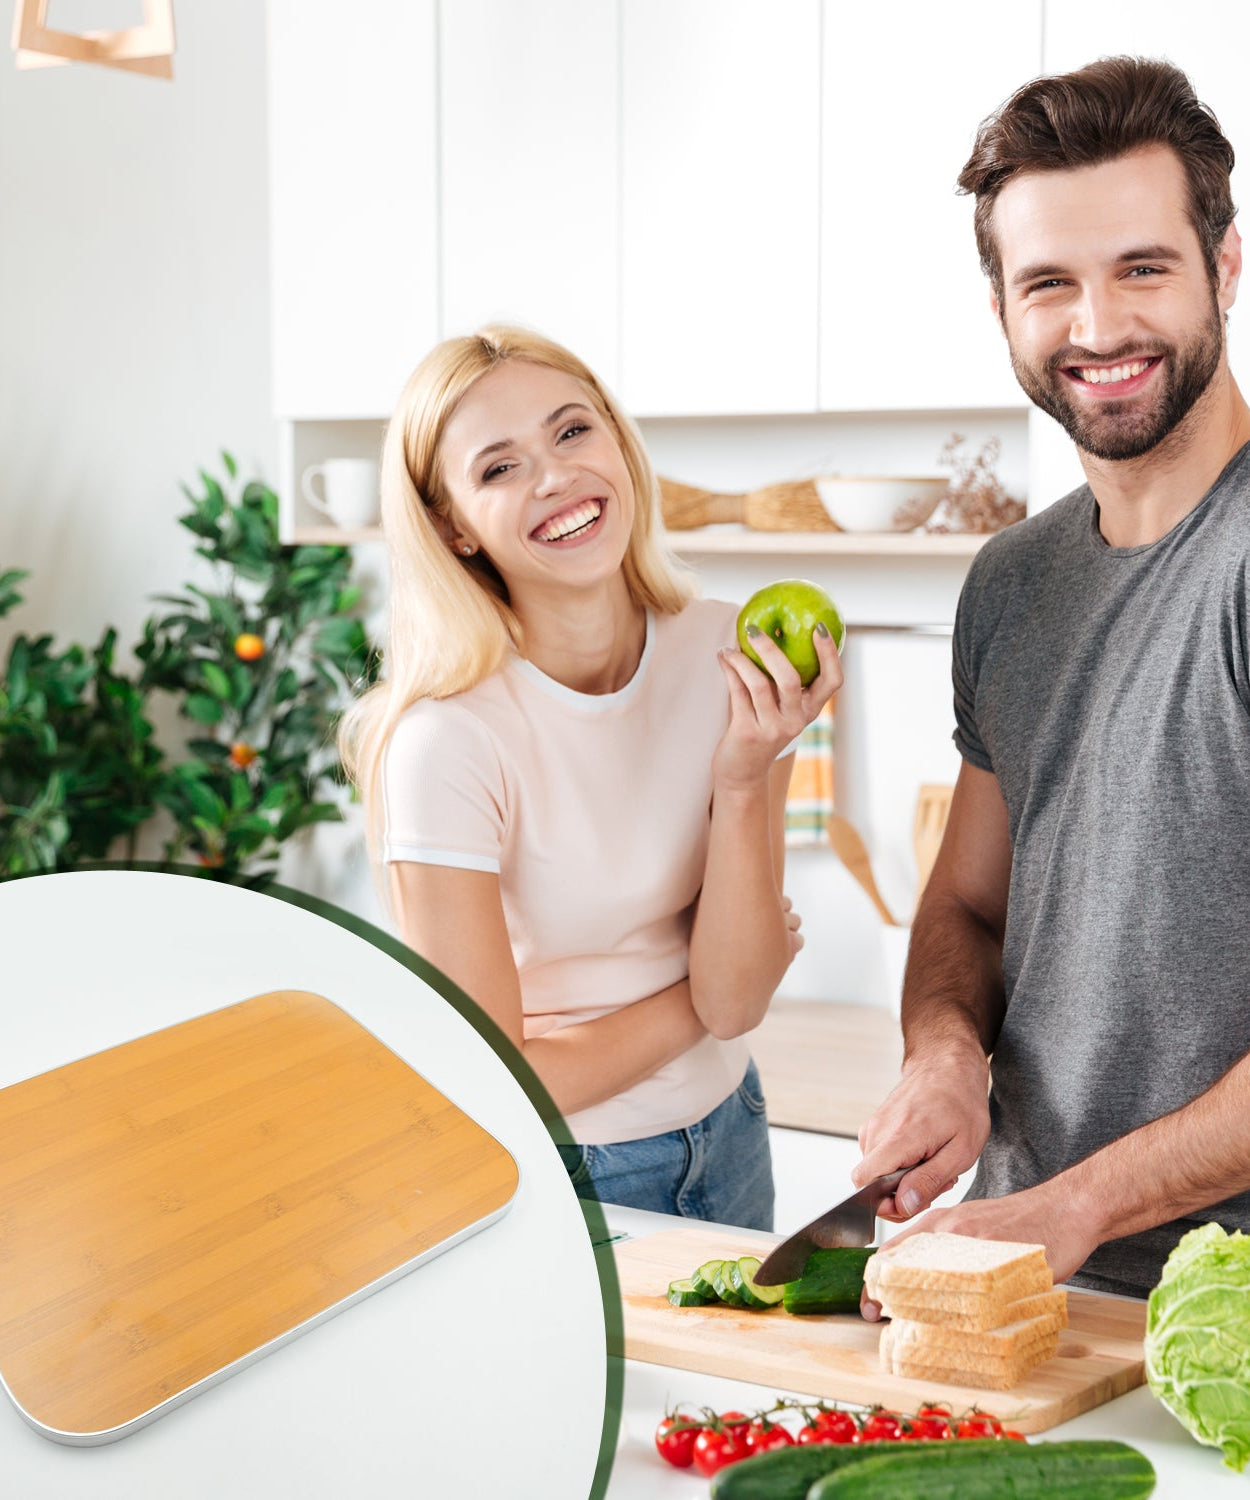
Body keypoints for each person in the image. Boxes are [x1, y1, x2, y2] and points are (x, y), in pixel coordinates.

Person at [853, 55, 1250, 1301]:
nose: (1096, 329)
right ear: (1000, 312)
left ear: (1223, 266)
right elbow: (969, 906)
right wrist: (940, 1057)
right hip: (1032, 1276)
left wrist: (1069, 1206)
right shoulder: (1010, 584)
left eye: (1141, 268)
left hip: (1217, 1306)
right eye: (1048, 284)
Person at [340, 324, 842, 1229]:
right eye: (498, 469)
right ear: (451, 524)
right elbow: (495, 1081)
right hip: (567, 1177)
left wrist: (742, 779)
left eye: (572, 431)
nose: (556, 477)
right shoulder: (446, 743)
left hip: (732, 1133)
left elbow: (741, 1000)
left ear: (616, 440)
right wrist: (696, 1001)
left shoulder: (736, 656)